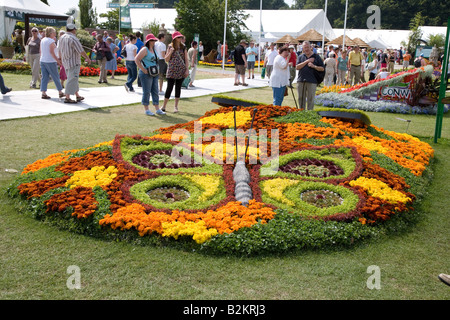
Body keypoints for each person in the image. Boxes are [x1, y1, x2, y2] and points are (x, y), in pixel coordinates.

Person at [57, 21, 92, 103]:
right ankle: (67, 97)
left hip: (65, 62)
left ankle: (77, 95)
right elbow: (81, 51)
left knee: (73, 79)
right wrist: (87, 58)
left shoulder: (61, 38)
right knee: (72, 79)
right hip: (74, 62)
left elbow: (59, 50)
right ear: (73, 30)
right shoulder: (73, 38)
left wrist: (60, 59)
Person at [135, 33, 166, 116]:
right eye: (152, 40)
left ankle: (157, 108)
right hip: (146, 73)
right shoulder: (145, 49)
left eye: (154, 40)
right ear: (148, 41)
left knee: (155, 91)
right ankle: (147, 109)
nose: (154, 41)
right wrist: (143, 69)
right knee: (147, 91)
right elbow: (137, 59)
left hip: (154, 72)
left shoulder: (154, 50)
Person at [162, 31, 189, 113]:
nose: (180, 38)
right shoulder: (170, 46)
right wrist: (170, 52)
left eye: (181, 37)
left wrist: (187, 69)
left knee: (178, 88)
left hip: (180, 70)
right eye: (178, 37)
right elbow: (166, 59)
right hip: (171, 70)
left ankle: (176, 107)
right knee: (169, 88)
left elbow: (186, 59)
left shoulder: (183, 47)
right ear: (174, 38)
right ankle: (164, 106)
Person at [296, 40, 324, 110]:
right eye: (304, 47)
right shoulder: (300, 57)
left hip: (312, 81)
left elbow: (322, 69)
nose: (306, 49)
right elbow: (297, 67)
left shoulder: (316, 57)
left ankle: (309, 113)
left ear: (311, 47)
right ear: (302, 48)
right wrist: (307, 61)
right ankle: (301, 113)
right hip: (301, 80)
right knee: (300, 98)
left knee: (310, 99)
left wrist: (314, 66)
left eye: (307, 47)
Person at [39, 27, 64, 100]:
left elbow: (41, 51)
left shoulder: (43, 40)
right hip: (50, 61)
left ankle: (43, 92)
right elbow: (52, 53)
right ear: (50, 33)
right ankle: (60, 92)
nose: (55, 34)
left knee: (44, 77)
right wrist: (58, 61)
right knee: (55, 76)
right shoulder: (51, 41)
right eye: (54, 32)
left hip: (43, 60)